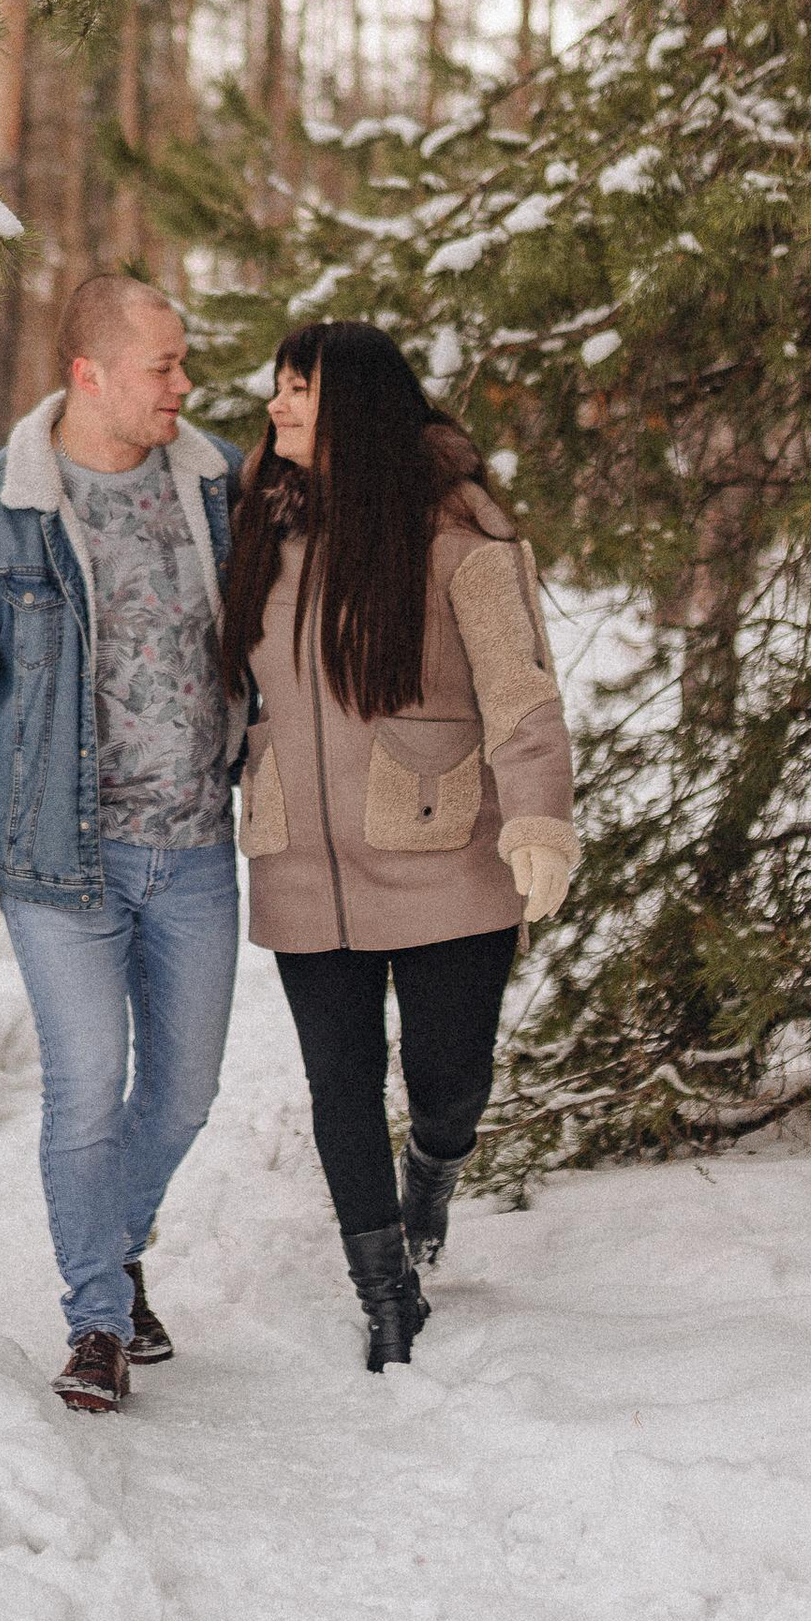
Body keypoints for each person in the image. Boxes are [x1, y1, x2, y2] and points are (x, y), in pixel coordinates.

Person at [0, 275, 242, 1414]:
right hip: (57, 859)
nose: (183, 388)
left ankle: (115, 1240)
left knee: (182, 1093)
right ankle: (96, 1316)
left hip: (194, 847)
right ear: (87, 375)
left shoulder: (219, 486)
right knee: (87, 1088)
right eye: (163, 368)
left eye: (183, 365)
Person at [217, 321, 576, 1372]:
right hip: (300, 857)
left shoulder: (455, 527)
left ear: (358, 407)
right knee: (339, 1081)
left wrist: (538, 822)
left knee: (448, 1074)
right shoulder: (256, 520)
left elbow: (520, 689)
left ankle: (434, 1168)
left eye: (298, 390)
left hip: (443, 849)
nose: (275, 407)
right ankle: (384, 1292)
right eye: (276, 388)